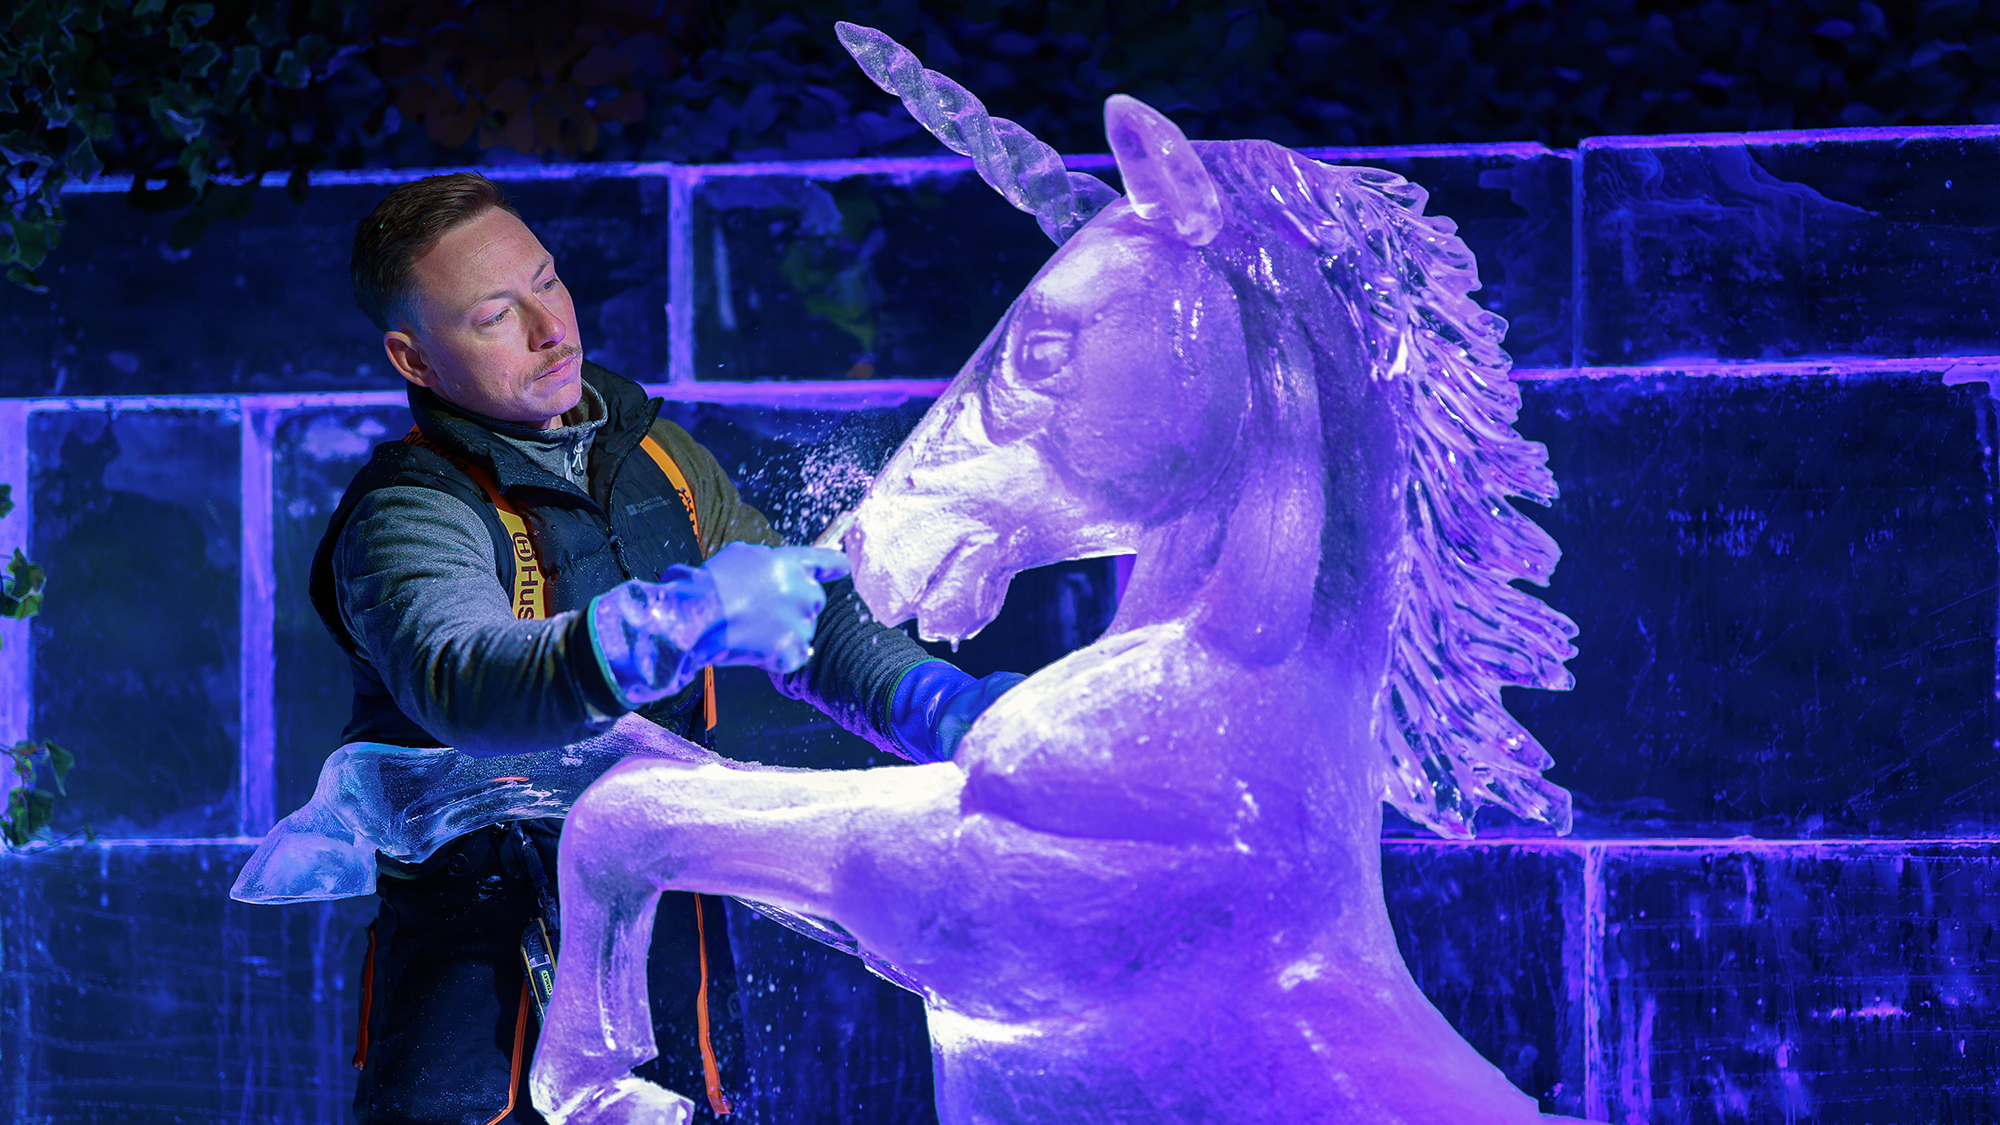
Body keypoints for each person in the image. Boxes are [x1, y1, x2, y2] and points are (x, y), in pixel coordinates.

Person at [312, 172, 1019, 1125]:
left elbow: (812, 621)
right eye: (493, 316)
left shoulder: (661, 460)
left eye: (548, 282)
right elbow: (464, 679)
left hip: (665, 937)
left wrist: (937, 705)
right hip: (479, 967)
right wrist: (676, 626)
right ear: (417, 358)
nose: (551, 328)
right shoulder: (411, 512)